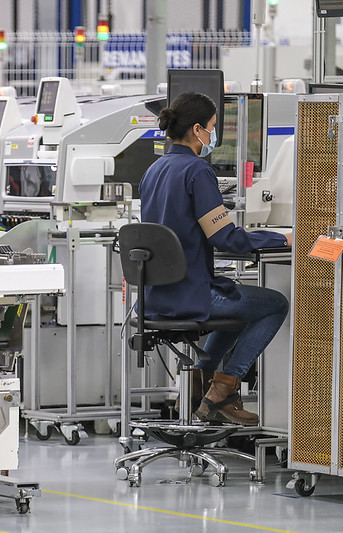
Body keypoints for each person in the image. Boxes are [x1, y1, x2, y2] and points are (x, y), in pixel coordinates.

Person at [139, 91, 291, 426]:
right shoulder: (197, 171)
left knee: (236, 300)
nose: (213, 134)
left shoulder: (154, 169)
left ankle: (199, 382)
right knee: (275, 304)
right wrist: (281, 237)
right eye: (212, 126)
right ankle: (224, 388)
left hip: (155, 297)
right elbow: (225, 238)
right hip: (191, 296)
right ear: (197, 129)